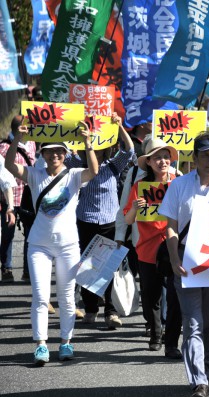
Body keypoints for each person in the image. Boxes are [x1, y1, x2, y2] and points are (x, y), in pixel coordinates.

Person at [6, 122, 98, 365]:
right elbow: (8, 165)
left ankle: (66, 342)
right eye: (50, 151)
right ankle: (41, 345)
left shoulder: (75, 175)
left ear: (66, 154)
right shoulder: (35, 174)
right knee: (41, 296)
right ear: (43, 154)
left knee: (67, 296)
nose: (55, 155)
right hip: (39, 245)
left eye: (60, 151)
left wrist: (87, 142)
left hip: (69, 244)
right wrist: (18, 138)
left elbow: (94, 171)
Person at [159, 134, 209, 397]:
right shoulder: (179, 185)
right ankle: (199, 381)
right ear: (194, 157)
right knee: (192, 322)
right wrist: (174, 259)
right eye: (205, 155)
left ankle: (204, 368)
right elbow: (170, 226)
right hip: (186, 259)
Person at [68, 113, 135, 329]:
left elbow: (130, 150)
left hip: (109, 222)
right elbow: (59, 153)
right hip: (85, 220)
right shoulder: (76, 164)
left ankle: (111, 312)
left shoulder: (112, 166)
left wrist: (120, 126)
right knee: (87, 267)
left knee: (109, 268)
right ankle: (90, 309)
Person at [124, 138, 182, 357]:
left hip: (173, 246)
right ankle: (155, 332)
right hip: (148, 249)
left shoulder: (179, 182)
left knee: (174, 294)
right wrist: (136, 208)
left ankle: (170, 338)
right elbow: (128, 219)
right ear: (148, 162)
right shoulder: (139, 186)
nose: (163, 161)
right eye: (157, 157)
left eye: (166, 157)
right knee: (151, 295)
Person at [0, 115, 36, 282]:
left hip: (29, 197)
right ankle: (6, 268)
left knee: (30, 235)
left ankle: (28, 270)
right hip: (10, 198)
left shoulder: (33, 143)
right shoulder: (4, 147)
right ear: (18, 129)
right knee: (8, 234)